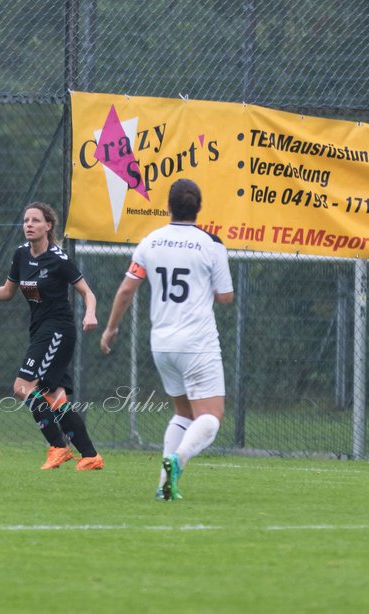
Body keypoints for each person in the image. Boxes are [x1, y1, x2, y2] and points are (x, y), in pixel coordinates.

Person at [100, 178, 233, 500]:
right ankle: (178, 459)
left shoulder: (151, 242)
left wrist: (111, 327)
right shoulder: (210, 244)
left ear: (168, 206)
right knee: (210, 417)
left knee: (184, 414)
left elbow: (127, 289)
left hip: (162, 343)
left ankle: (164, 485)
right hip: (197, 343)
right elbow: (225, 296)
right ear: (199, 208)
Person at [0, 202, 104, 471]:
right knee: (55, 398)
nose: (29, 225)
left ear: (48, 226)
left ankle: (58, 447)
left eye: (35, 221)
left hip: (58, 331)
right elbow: (8, 292)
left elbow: (88, 292)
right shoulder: (21, 255)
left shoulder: (58, 259)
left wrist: (91, 314)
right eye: (26, 220)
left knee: (22, 386)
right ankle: (90, 456)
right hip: (40, 330)